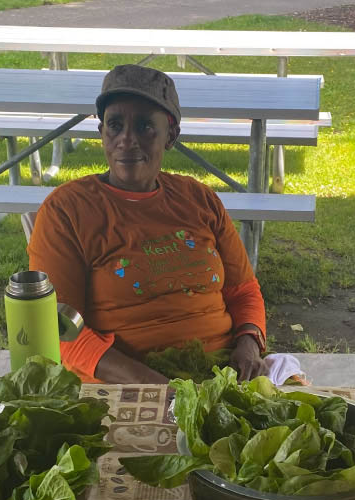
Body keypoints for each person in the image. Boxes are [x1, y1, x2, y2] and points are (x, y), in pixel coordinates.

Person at [27, 64, 268, 384]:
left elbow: (244, 291)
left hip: (225, 372)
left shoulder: (200, 199)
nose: (127, 139)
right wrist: (157, 387)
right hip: (124, 382)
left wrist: (249, 344)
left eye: (144, 126)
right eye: (115, 125)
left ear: (171, 136)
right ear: (101, 133)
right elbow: (60, 329)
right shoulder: (67, 211)